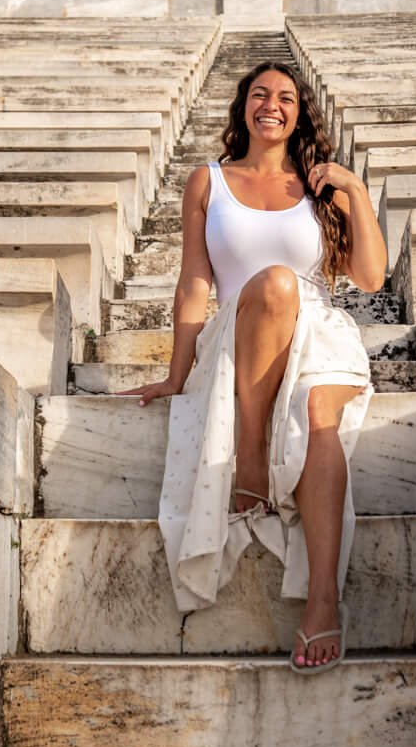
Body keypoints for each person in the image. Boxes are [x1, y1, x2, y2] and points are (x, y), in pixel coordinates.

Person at [123, 60, 388, 672]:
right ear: (243, 106)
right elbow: (194, 282)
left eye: (287, 97)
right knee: (271, 285)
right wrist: (176, 370)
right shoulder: (207, 181)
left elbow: (371, 278)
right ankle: (249, 459)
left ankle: (322, 599)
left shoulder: (320, 186)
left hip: (321, 333)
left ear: (301, 113)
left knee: (319, 414)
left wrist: (354, 190)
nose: (273, 104)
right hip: (239, 333)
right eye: (261, 94)